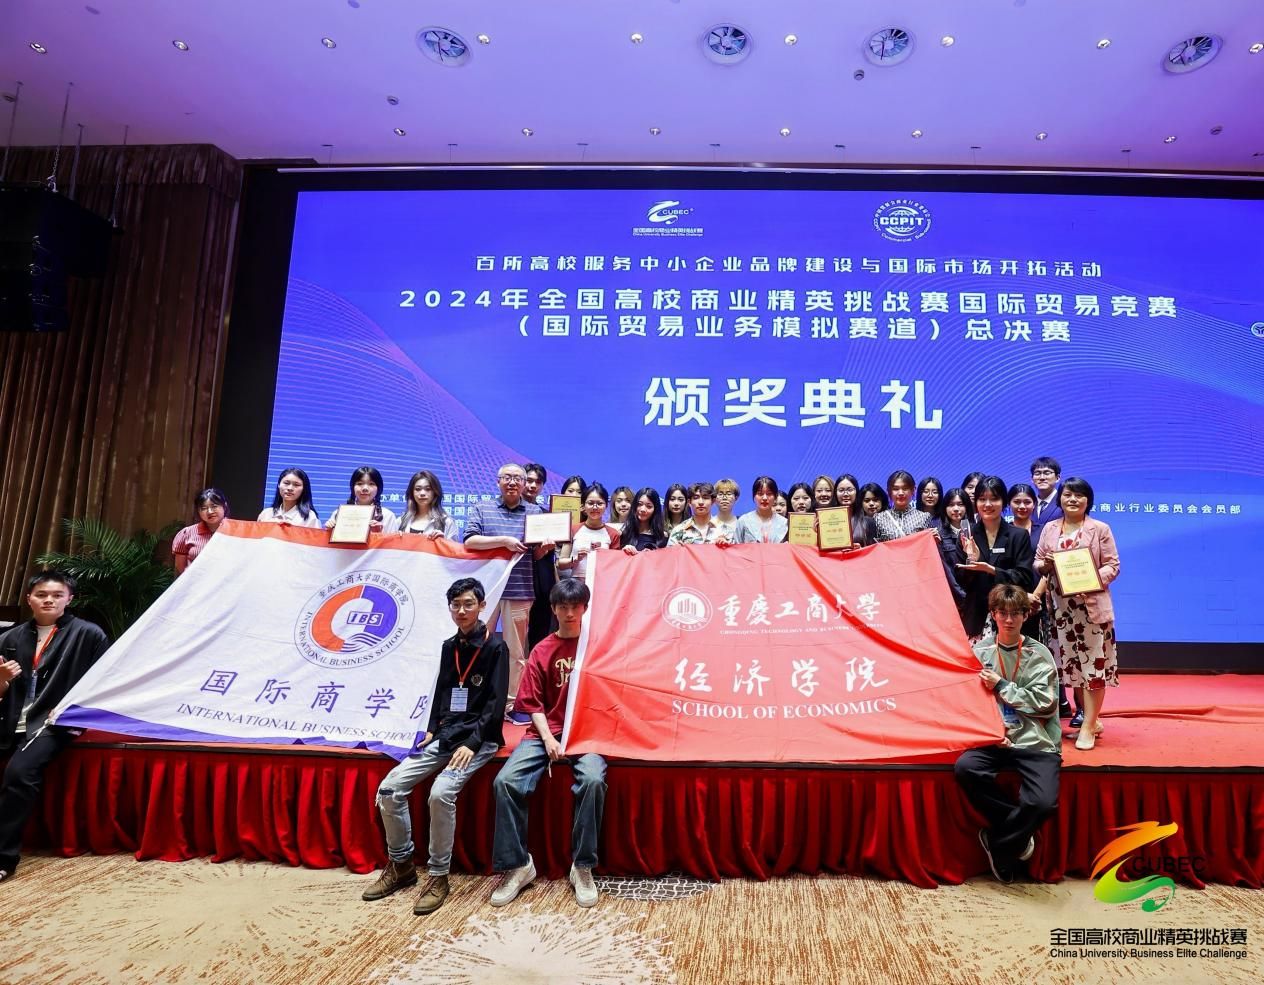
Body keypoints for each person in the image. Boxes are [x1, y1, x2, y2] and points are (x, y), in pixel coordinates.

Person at [361, 578, 508, 914]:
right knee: (389, 789)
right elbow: (442, 691)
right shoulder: (449, 646)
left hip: (479, 739)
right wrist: (431, 729)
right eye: (456, 605)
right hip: (445, 735)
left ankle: (439, 876)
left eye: (468, 604)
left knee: (440, 794)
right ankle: (401, 865)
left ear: (482, 606)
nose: (462, 611)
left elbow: (496, 704)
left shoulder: (496, 647)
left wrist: (473, 742)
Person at [490, 579, 607, 908]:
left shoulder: (595, 648)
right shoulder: (542, 650)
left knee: (593, 781)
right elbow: (533, 704)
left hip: (586, 734)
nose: (570, 613)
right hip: (545, 733)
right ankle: (518, 865)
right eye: (563, 607)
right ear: (553, 609)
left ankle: (582, 866)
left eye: (576, 606)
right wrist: (549, 739)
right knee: (505, 782)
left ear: (585, 608)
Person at [0, 571, 110, 881]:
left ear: (69, 599)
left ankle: (4, 858)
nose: (49, 600)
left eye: (57, 595)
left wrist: (70, 711)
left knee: (19, 773)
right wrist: (3, 680)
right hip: (9, 719)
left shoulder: (89, 634)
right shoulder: (9, 638)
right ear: (29, 599)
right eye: (41, 594)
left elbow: (101, 682)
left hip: (55, 722)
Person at [953, 584, 1060, 884]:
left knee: (1042, 804)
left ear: (1026, 615)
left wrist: (1001, 685)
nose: (1009, 620)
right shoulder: (979, 652)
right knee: (966, 768)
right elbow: (968, 703)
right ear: (993, 615)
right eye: (1002, 613)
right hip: (994, 739)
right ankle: (1014, 831)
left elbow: (1045, 704)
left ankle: (999, 842)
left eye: (1015, 613)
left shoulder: (1040, 655)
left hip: (1035, 739)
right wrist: (990, 731)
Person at [1034, 477, 1121, 751]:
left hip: (1091, 610)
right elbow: (1038, 561)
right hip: (1061, 612)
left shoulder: (1100, 529)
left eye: (1079, 495)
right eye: (1068, 494)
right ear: (1060, 498)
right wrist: (1045, 564)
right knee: (1074, 669)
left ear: (1088, 500)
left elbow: (1113, 565)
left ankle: (1088, 725)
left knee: (1093, 668)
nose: (1073, 499)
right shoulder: (1050, 528)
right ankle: (1092, 721)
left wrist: (1090, 580)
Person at [464, 464, 554, 723]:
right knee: (479, 645)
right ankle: (476, 701)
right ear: (498, 481)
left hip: (520, 589)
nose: (512, 482)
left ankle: (513, 704)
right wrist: (504, 541)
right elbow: (469, 541)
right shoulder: (482, 508)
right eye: (507, 477)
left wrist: (544, 549)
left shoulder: (536, 513)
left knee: (516, 652)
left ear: (525, 484)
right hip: (487, 590)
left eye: (518, 478)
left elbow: (535, 555)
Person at [957, 476, 1036, 643]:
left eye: (994, 499)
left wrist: (991, 570)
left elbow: (1025, 577)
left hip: (1010, 615)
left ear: (1004, 502)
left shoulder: (1018, 535)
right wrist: (972, 560)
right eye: (982, 499)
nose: (987, 504)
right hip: (976, 616)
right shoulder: (967, 535)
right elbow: (961, 581)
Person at [523, 463, 558, 653]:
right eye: (529, 480)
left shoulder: (547, 516)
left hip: (543, 582)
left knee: (540, 631)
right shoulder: (511, 511)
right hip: (518, 581)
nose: (533, 485)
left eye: (538, 482)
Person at [557, 483, 621, 581]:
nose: (595, 507)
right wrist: (575, 559)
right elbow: (560, 564)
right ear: (583, 506)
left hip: (602, 583)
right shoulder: (573, 529)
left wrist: (604, 557)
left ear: (606, 506)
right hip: (577, 585)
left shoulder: (613, 534)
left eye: (600, 503)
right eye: (590, 503)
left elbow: (616, 566)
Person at [932, 487, 972, 611]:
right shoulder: (938, 534)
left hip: (974, 597)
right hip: (950, 596)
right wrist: (962, 595)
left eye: (960, 504)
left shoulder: (977, 530)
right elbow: (945, 570)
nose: (955, 509)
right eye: (951, 505)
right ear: (944, 508)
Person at [325, 467, 399, 534]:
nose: (365, 488)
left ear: (378, 489)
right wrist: (329, 532)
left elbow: (393, 543)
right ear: (352, 487)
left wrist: (378, 534)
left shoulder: (388, 516)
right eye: (360, 483)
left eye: (371, 484)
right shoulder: (339, 513)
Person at [173, 488, 230, 574]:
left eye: (214, 506)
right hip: (194, 582)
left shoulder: (236, 532)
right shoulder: (187, 533)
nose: (210, 512)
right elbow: (181, 568)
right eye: (204, 508)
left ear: (224, 506)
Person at [874, 470, 933, 542]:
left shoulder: (924, 517)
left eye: (905, 488)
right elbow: (876, 546)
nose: (901, 493)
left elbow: (927, 545)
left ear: (913, 490)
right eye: (896, 489)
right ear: (888, 491)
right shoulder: (879, 518)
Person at [400, 469, 458, 539]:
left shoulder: (447, 522)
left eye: (428, 489)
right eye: (418, 489)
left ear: (435, 492)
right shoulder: (401, 521)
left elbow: (453, 545)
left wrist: (443, 541)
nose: (422, 493)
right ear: (412, 493)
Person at [257, 468, 321, 527]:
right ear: (278, 485)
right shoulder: (266, 514)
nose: (290, 488)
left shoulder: (310, 517)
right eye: (286, 483)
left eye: (296, 485)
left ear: (304, 489)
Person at [734, 476, 788, 544]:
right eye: (760, 494)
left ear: (775, 497)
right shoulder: (744, 521)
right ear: (754, 496)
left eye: (769, 494)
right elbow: (736, 547)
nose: (765, 498)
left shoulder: (785, 523)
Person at [831, 473, 878, 547]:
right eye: (841, 490)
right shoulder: (828, 521)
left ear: (856, 492)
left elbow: (873, 549)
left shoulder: (869, 522)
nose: (845, 494)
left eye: (850, 490)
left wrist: (861, 549)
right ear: (835, 493)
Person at [619, 488, 668, 553]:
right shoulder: (623, 533)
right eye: (639, 504)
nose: (643, 509)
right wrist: (623, 551)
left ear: (655, 510)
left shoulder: (663, 536)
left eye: (649, 506)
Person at [1030, 457, 1063, 546]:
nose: (1042, 477)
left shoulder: (1064, 502)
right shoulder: (1028, 504)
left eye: (1047, 473)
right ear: (1032, 479)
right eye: (1037, 473)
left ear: (1058, 477)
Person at [713, 478, 740, 543]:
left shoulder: (742, 523)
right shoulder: (708, 524)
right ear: (714, 498)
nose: (724, 498)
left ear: (736, 498)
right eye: (720, 494)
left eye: (728, 494)